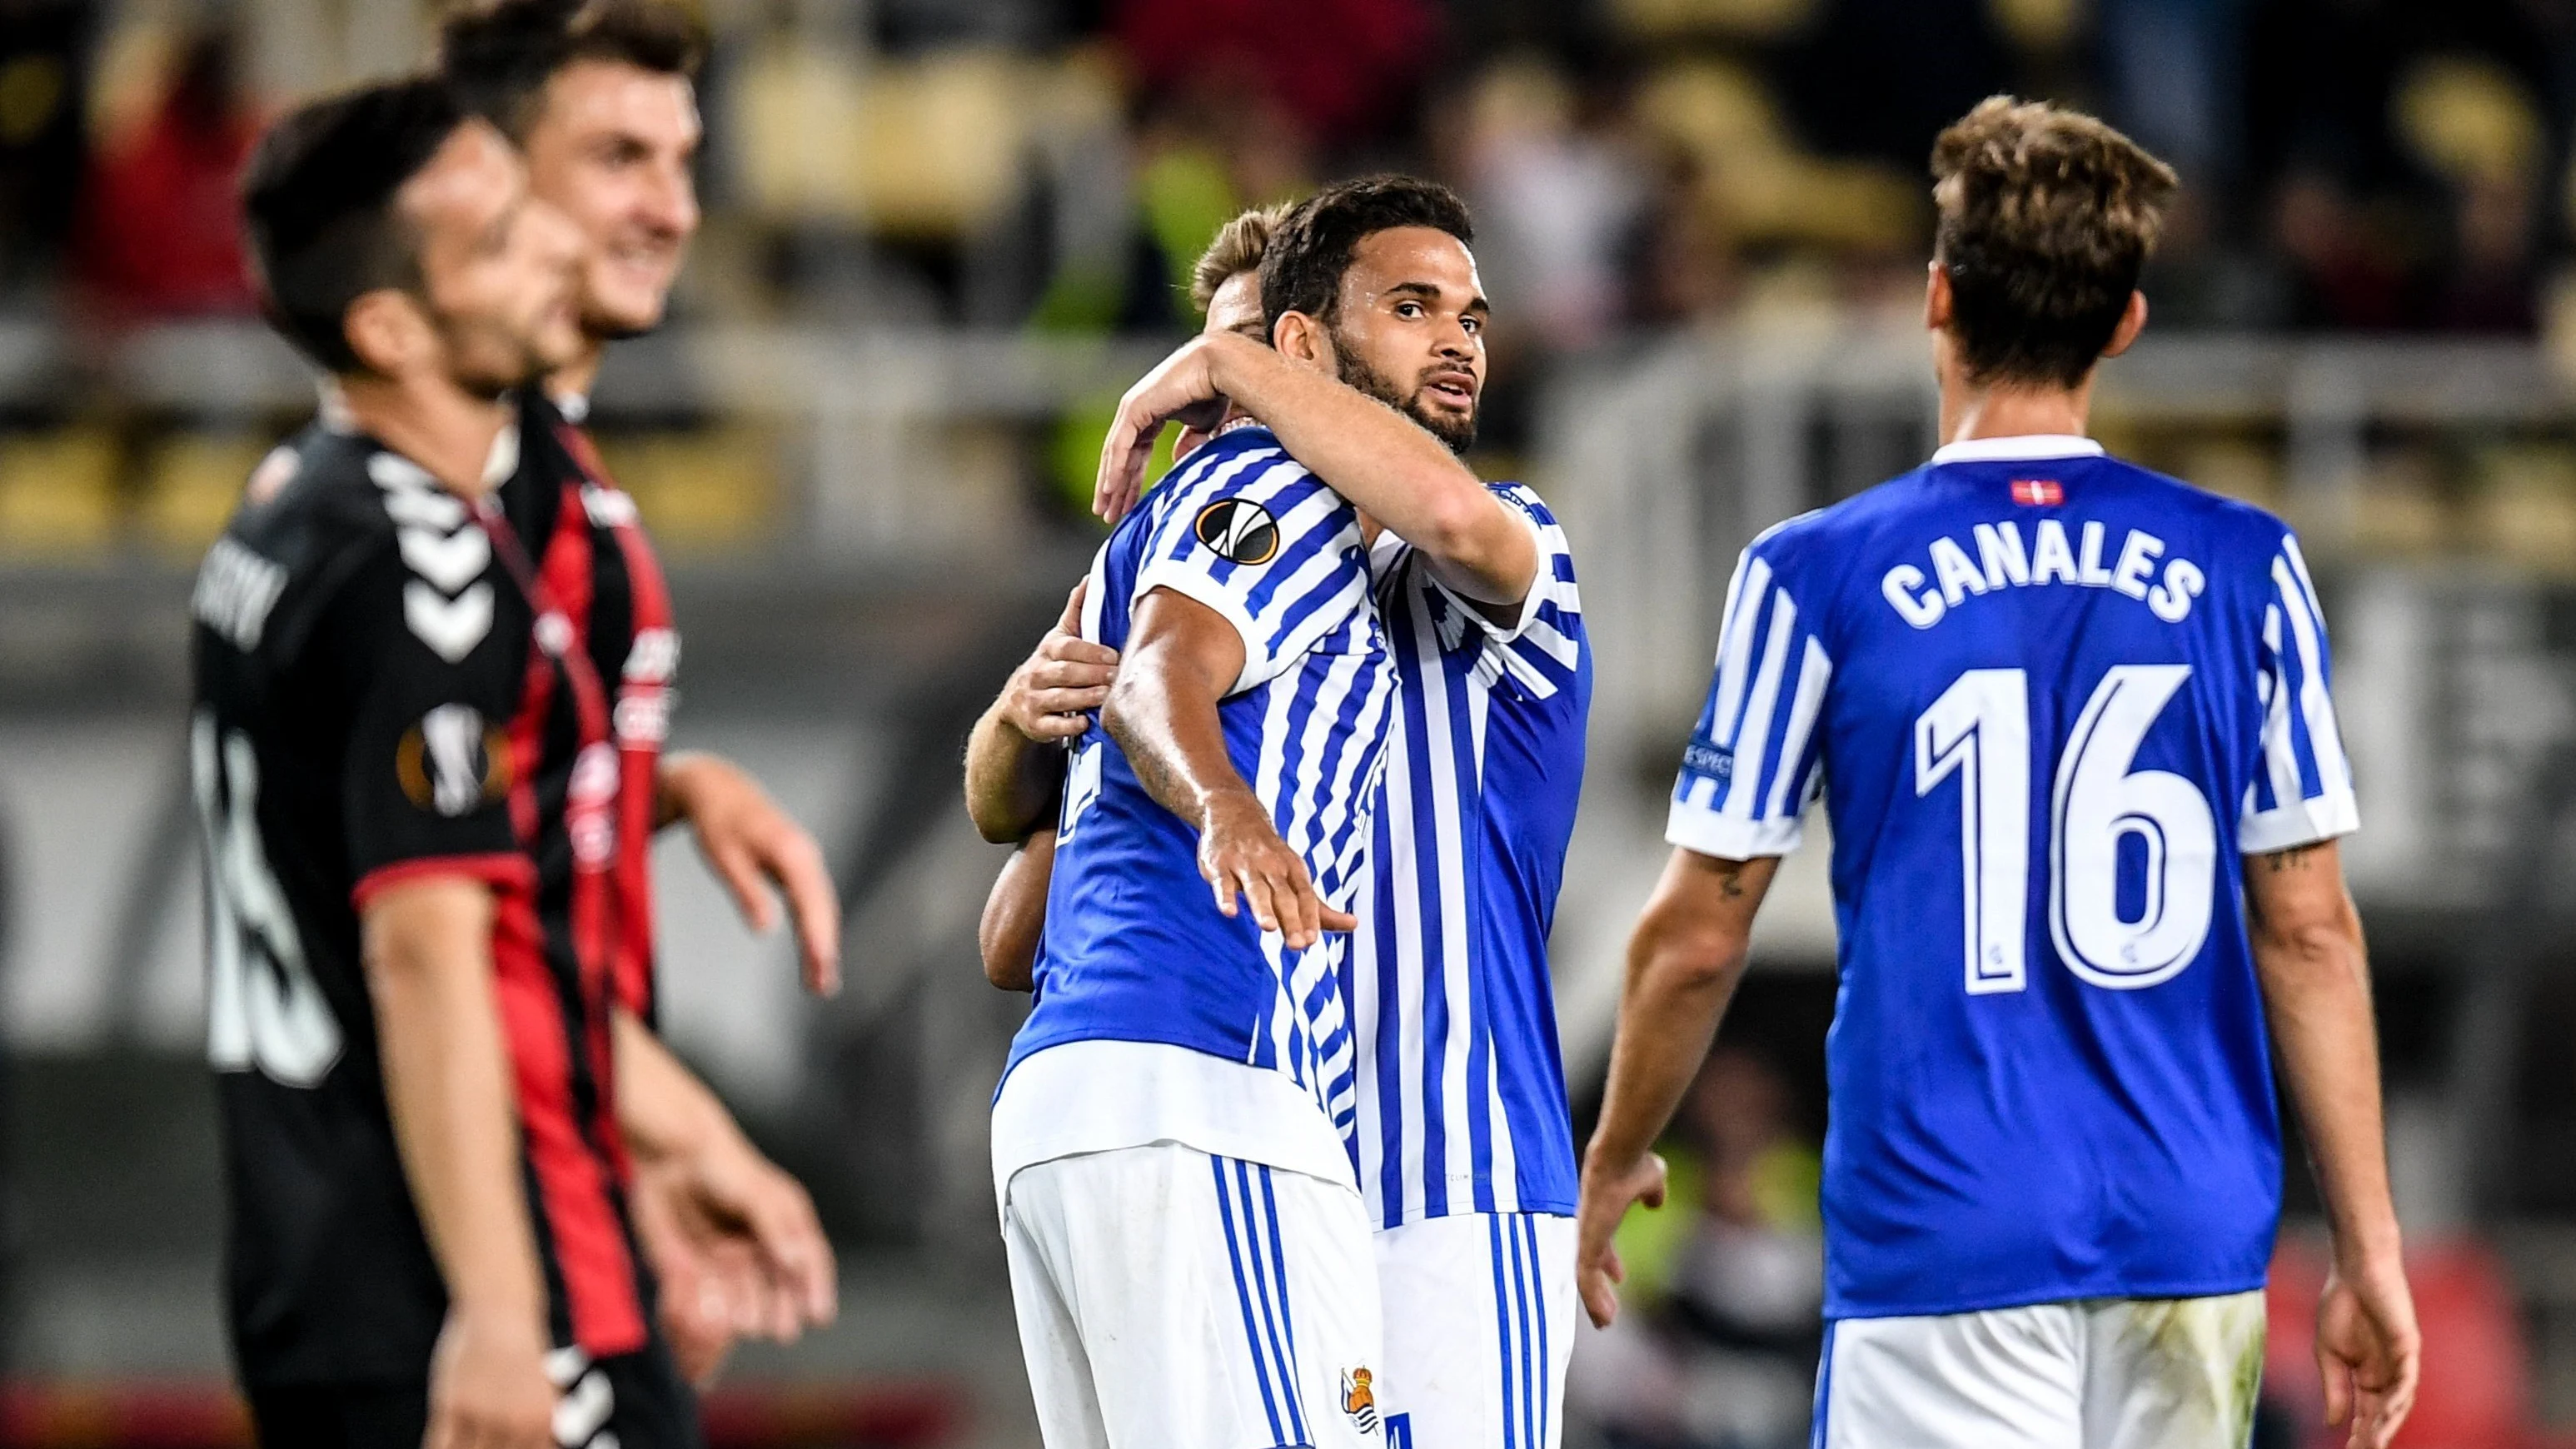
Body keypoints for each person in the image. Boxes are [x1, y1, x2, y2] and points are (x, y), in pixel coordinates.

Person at [1573, 97, 2420, 1449]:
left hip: (1941, 1239)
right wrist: (2372, 1249)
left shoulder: (1816, 572)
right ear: (2127, 321)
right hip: (2188, 1242)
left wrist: (1613, 1159)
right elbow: (2309, 930)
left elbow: (1697, 932)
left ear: (1938, 298)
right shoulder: (2249, 569)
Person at [973, 176, 1595, 1449]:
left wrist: (1217, 363)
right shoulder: (1232, 561)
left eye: (1252, 378)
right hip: (1267, 1125)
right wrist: (1015, 724)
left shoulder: (1492, 545)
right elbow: (1009, 928)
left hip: (1452, 1177)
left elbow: (1449, 507)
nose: (1239, 408)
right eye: (1232, 376)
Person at [202, 77, 657, 1449]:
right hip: (442, 1280)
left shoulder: (285, 513)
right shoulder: (427, 575)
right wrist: (503, 1312)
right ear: (391, 326)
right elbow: (428, 952)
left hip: (304, 1254)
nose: (556, 256)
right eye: (502, 244)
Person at [438, 0, 840, 1382]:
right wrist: (688, 1130)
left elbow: (473, 815)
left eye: (683, 164)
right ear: (485, 170)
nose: (670, 210)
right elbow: (443, 925)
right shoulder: (464, 498)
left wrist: (665, 785)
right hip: (474, 1244)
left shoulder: (551, 471)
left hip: (564, 1188)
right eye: (618, 158)